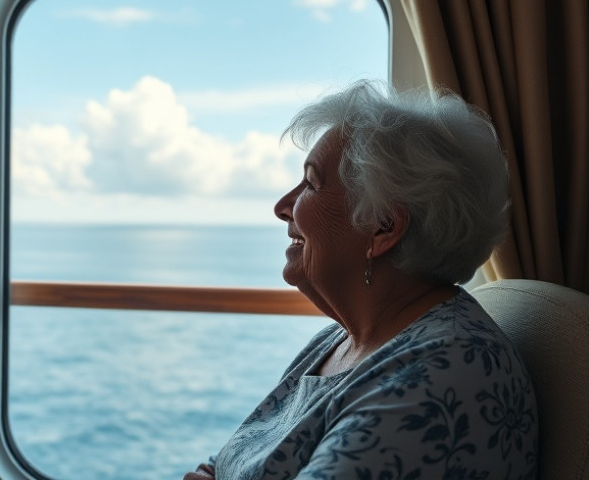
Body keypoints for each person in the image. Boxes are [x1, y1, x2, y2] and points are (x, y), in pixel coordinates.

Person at [184, 81, 538, 480]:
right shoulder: (338, 341)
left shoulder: (445, 373)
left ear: (383, 226)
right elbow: (234, 457)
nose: (282, 206)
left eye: (311, 184)